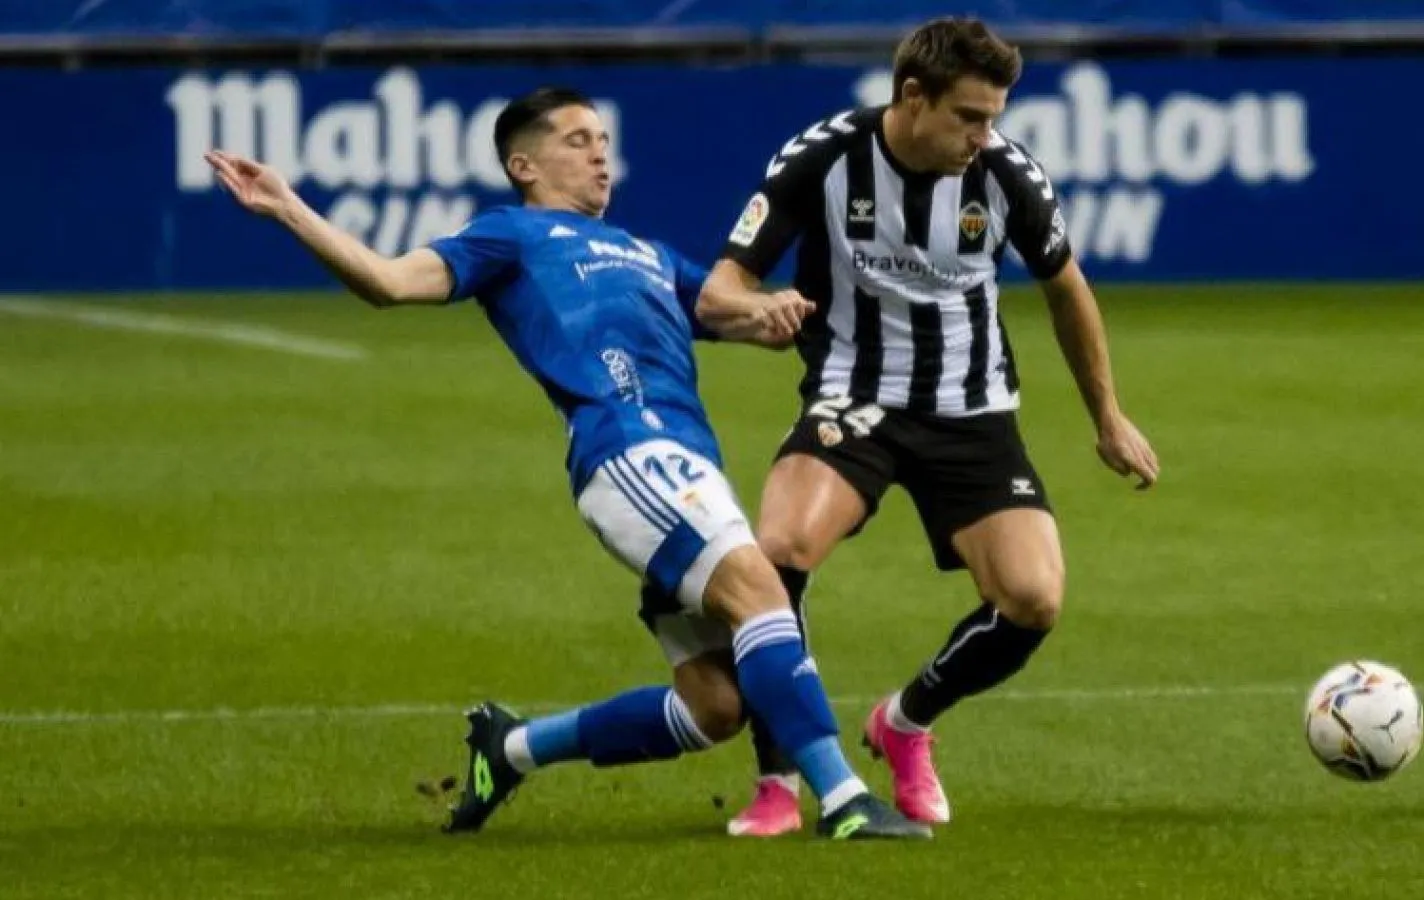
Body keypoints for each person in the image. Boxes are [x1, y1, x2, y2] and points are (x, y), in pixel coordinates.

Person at [205, 86, 930, 841]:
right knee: (762, 591)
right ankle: (845, 798)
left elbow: (726, 309)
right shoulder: (509, 237)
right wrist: (288, 207)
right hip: (627, 453)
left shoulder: (648, 253)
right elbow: (388, 282)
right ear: (524, 163)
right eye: (578, 140)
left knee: (714, 707)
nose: (599, 154)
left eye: (604, 142)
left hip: (686, 465)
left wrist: (769, 313)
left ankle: (513, 748)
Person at [707, 18, 1161, 837]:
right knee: (777, 554)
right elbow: (721, 287)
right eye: (970, 118)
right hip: (856, 398)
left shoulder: (1008, 175)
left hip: (973, 410)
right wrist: (758, 305)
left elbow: (1067, 289)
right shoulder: (821, 158)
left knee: (1033, 599)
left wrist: (1108, 416)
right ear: (913, 98)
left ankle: (905, 723)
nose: (985, 137)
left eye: (994, 118)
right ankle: (780, 780)